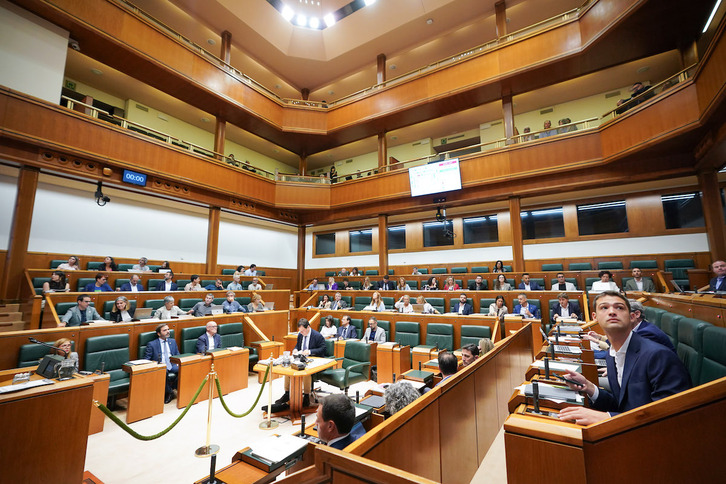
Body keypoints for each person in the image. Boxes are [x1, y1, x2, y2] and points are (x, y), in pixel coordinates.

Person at [558, 291, 691, 425]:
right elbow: (622, 406)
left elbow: (671, 417)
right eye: (604, 307)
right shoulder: (611, 356)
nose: (612, 312)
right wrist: (589, 387)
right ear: (595, 317)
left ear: (632, 317)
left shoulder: (658, 355)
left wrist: (609, 418)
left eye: (619, 307)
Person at [273, 319, 325, 410]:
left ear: (308, 327)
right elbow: (298, 345)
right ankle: (287, 393)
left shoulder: (317, 336)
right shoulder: (300, 335)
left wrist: (310, 351)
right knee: (289, 370)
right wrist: (295, 349)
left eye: (302, 331)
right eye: (300, 331)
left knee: (305, 372)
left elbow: (323, 349)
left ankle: (306, 396)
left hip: (313, 360)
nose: (301, 333)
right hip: (300, 358)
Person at [144, 323, 180, 403]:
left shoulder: (172, 341)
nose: (168, 331)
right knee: (164, 371)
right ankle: (169, 392)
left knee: (183, 369)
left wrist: (178, 362)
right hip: (161, 365)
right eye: (165, 330)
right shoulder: (152, 344)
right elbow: (147, 359)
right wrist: (156, 363)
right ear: (159, 334)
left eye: (168, 329)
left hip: (172, 364)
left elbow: (177, 354)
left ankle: (173, 387)